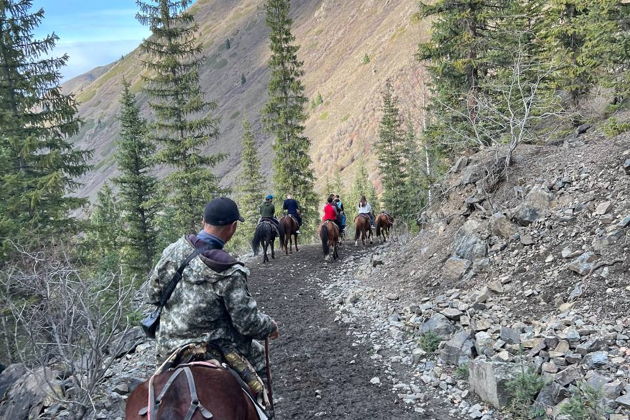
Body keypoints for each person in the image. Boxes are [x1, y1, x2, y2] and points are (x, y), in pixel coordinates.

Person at [147, 197, 279, 408]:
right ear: (233, 227)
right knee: (258, 361)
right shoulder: (227, 269)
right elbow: (246, 323)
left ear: (203, 221)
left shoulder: (172, 250)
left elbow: (152, 296)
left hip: (168, 347)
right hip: (214, 347)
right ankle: (266, 410)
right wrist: (269, 326)